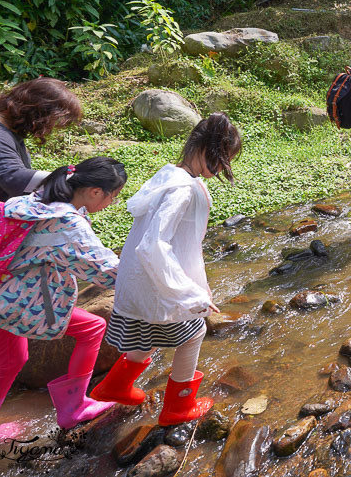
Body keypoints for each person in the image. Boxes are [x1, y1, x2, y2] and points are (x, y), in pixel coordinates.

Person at [91, 114, 241, 426]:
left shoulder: (169, 175)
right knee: (193, 332)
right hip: (155, 279)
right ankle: (178, 407)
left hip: (137, 279)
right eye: (223, 159)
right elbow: (154, 246)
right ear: (206, 150)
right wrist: (187, 292)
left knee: (146, 333)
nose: (221, 168)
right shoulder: (182, 190)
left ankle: (114, 387)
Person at [0, 157, 127, 440]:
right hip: (13, 301)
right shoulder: (66, 222)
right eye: (114, 195)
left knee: (12, 361)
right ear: (95, 191)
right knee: (93, 328)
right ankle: (73, 408)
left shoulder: (32, 201)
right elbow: (107, 273)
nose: (111, 203)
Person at [0, 78, 83, 211]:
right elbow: (15, 177)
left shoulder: (2, 128)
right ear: (37, 112)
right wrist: (76, 180)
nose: (50, 129)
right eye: (52, 122)